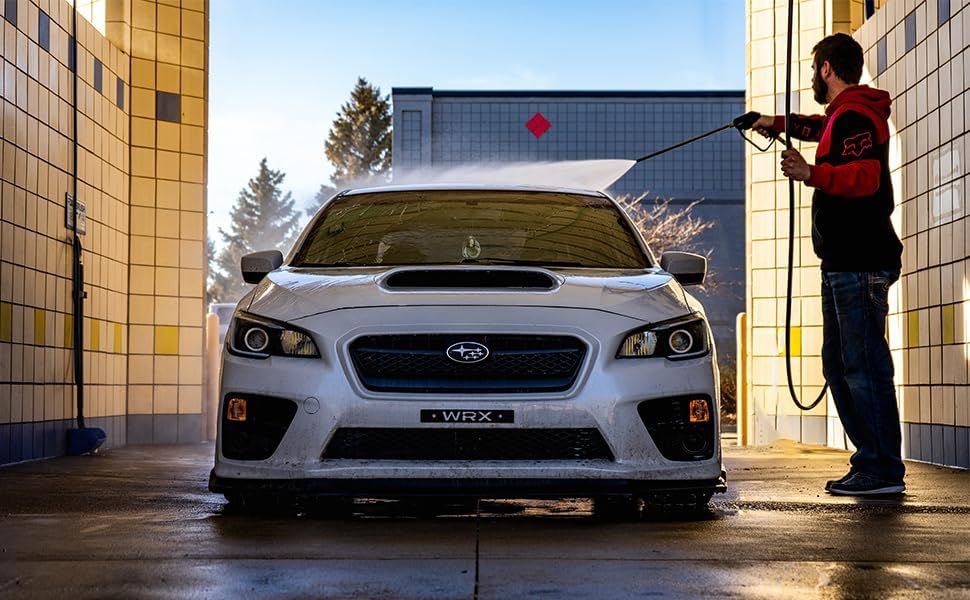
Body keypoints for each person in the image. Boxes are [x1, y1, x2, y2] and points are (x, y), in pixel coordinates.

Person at [753, 33, 905, 496]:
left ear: (825, 68)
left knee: (863, 366)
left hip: (860, 262)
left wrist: (810, 173)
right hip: (844, 263)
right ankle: (872, 463)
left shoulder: (856, 114)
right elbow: (821, 128)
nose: (811, 78)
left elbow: (867, 176)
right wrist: (772, 122)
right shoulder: (844, 115)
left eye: (813, 69)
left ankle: (881, 469)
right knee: (840, 366)